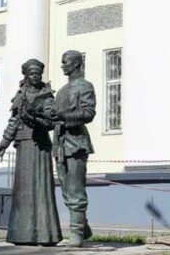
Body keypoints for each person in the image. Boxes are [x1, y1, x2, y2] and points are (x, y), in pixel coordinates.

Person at [0, 59, 62, 246]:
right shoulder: (20, 95)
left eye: (38, 73)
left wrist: (34, 118)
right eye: (32, 73)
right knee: (23, 189)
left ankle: (45, 234)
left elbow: (50, 121)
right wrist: (4, 143)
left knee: (41, 188)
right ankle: (21, 234)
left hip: (40, 145)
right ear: (26, 75)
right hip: (23, 144)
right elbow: (14, 121)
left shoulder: (47, 95)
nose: (35, 76)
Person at [50, 50, 96, 248]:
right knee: (66, 190)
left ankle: (76, 233)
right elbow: (54, 116)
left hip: (76, 143)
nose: (62, 65)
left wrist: (64, 117)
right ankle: (83, 227)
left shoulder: (84, 86)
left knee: (76, 189)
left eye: (65, 62)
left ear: (76, 64)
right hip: (59, 143)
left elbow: (89, 113)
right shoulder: (61, 91)